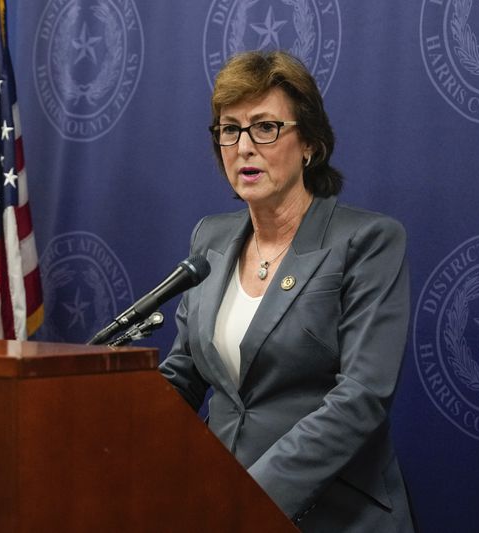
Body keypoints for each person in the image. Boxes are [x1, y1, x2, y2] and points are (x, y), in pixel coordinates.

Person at [159, 51, 415, 531]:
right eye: (229, 129)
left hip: (334, 515)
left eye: (265, 127)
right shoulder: (209, 238)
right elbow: (186, 371)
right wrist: (113, 424)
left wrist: (248, 497)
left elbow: (362, 397)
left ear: (310, 145)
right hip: (220, 504)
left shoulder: (367, 241)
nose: (243, 147)